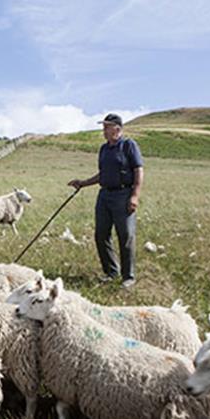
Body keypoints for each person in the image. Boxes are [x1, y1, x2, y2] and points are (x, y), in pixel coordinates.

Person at [67, 113, 144, 288]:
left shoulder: (129, 145)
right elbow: (103, 174)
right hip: (104, 196)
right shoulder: (104, 149)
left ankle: (128, 277)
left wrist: (135, 195)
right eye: (104, 127)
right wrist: (83, 183)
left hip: (123, 195)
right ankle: (111, 272)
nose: (104, 130)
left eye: (107, 127)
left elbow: (138, 170)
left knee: (125, 235)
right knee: (101, 235)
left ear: (117, 129)